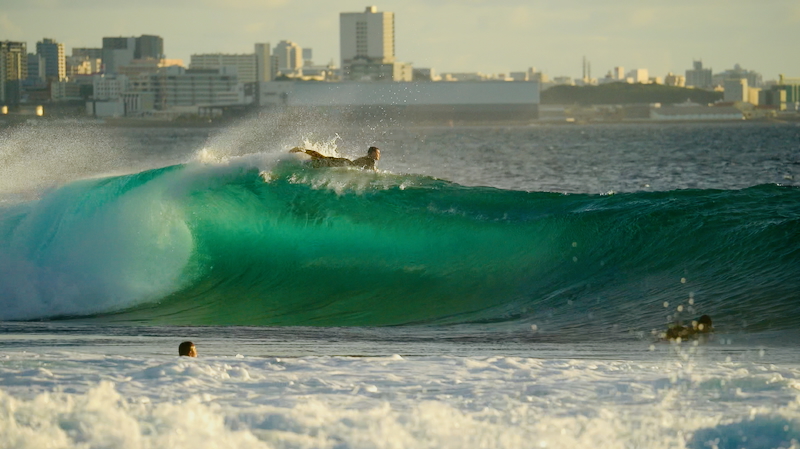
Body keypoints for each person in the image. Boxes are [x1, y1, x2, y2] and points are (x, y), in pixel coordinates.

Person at [289, 146, 380, 170]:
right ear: (371, 153)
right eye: (377, 153)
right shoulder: (370, 160)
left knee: (324, 159)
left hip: (347, 164)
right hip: (346, 163)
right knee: (324, 158)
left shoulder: (368, 159)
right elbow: (374, 171)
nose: (378, 155)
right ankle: (302, 150)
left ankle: (303, 154)